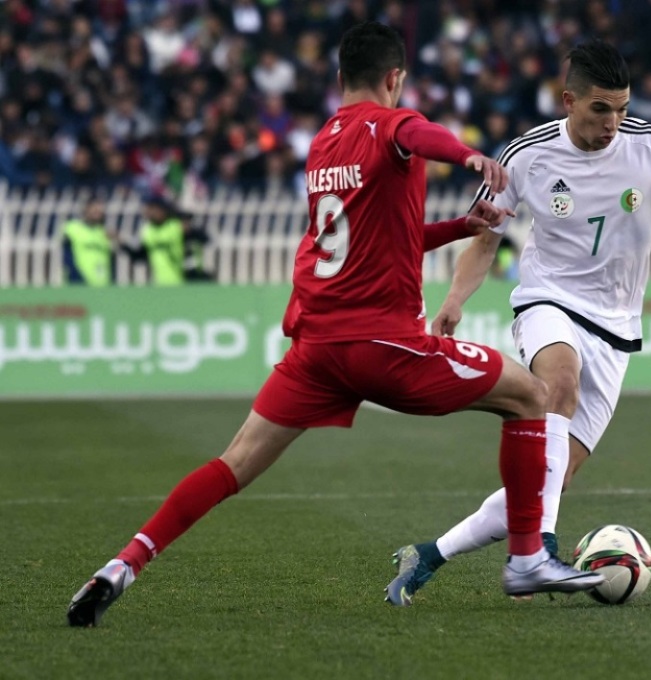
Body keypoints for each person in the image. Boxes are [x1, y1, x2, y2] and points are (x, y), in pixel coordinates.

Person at [67, 21, 603, 628]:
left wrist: (458, 227)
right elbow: (418, 132)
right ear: (395, 78)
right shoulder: (393, 122)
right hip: (381, 345)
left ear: (339, 78)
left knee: (232, 463)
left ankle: (123, 563)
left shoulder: (323, 143)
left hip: (316, 350)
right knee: (532, 396)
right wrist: (468, 154)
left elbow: (371, 241)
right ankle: (528, 557)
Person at [384, 39, 651, 606]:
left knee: (542, 484)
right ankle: (541, 552)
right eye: (600, 109)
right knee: (558, 384)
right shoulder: (526, 154)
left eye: (622, 108)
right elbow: (484, 237)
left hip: (616, 325)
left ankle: (431, 553)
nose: (613, 123)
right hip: (547, 299)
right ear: (569, 100)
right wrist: (455, 299)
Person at [62, 197, 114, 286]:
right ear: (85, 209)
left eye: (100, 210)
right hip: (79, 283)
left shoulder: (104, 232)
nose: (97, 212)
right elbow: (66, 256)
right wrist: (76, 278)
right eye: (94, 209)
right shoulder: (72, 228)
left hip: (103, 285)